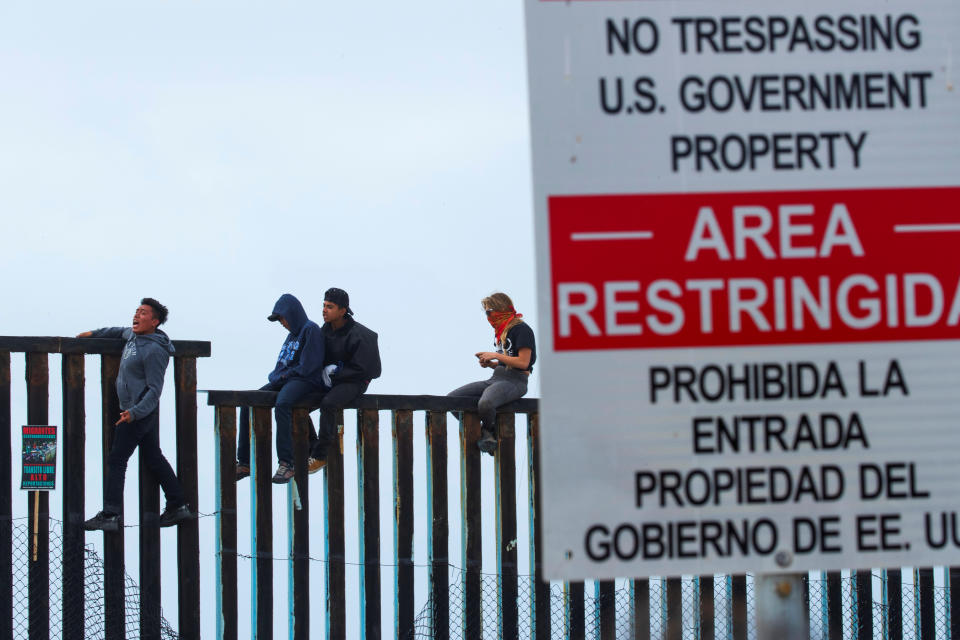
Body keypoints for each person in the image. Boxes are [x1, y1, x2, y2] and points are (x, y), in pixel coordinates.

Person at [79, 298, 193, 531]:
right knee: (153, 457)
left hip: (137, 412)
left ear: (155, 321)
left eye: (143, 313)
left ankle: (111, 514)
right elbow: (115, 331)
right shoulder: (133, 336)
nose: (137, 316)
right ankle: (178, 505)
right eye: (136, 311)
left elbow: (154, 390)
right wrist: (91, 334)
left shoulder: (154, 350)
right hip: (134, 411)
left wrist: (134, 413)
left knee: (117, 460)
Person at [237, 293, 326, 484]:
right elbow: (281, 365)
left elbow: (309, 366)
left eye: (283, 318)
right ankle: (244, 462)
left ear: (293, 314)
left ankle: (287, 462)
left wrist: (286, 376)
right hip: (286, 379)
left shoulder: (311, 330)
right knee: (247, 402)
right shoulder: (290, 336)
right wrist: (279, 377)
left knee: (283, 403)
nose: (282, 323)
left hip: (306, 381)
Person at [448, 293, 536, 454]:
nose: (488, 317)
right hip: (497, 378)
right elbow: (506, 362)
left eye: (490, 312)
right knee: (452, 400)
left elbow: (523, 362)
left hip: (516, 381)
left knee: (486, 403)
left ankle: (489, 431)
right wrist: (491, 364)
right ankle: (480, 433)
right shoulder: (501, 333)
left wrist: (495, 355)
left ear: (501, 309)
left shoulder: (522, 330)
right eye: (486, 313)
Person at [308, 288, 381, 471]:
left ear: (343, 310)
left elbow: (371, 369)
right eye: (323, 305)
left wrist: (337, 373)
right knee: (298, 402)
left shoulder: (362, 335)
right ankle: (312, 446)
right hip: (329, 380)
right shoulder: (323, 331)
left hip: (355, 382)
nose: (324, 310)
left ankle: (320, 455)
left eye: (330, 307)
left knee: (328, 403)